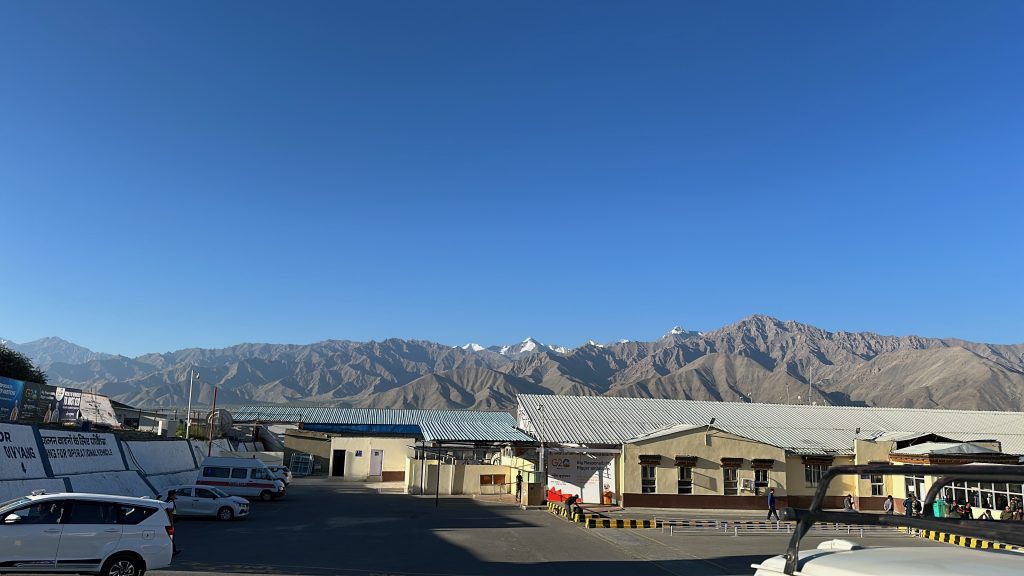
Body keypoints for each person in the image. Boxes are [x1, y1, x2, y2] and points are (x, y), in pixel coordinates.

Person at [165, 490, 181, 556]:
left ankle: (173, 550)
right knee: (170, 537)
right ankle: (172, 551)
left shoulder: (167, 501)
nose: (175, 496)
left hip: (166, 521)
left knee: (170, 537)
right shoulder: (170, 502)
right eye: (175, 495)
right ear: (172, 495)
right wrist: (171, 524)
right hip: (169, 522)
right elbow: (170, 513)